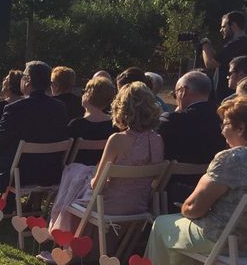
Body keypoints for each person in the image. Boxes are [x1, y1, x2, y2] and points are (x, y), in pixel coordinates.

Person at [47, 82, 164, 240]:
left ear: (121, 108)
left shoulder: (117, 140)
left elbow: (97, 185)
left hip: (108, 207)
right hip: (139, 206)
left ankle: (68, 246)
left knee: (72, 193)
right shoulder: (157, 140)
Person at [145, 97, 247, 264]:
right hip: (243, 241)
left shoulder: (232, 158)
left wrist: (186, 209)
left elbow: (193, 208)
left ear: (241, 128)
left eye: (225, 124)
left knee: (163, 224)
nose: (221, 131)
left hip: (224, 240)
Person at [0, 61, 68, 198]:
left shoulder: (14, 108)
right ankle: (8, 206)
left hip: (19, 174)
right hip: (50, 173)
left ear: (28, 81)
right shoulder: (60, 108)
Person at [158, 71, 227, 209]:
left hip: (172, 191)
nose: (176, 96)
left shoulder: (172, 121)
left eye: (176, 92)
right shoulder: (224, 120)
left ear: (183, 91)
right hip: (209, 191)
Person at [67, 76, 117, 165]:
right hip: (103, 175)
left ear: (88, 95)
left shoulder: (76, 125)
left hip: (76, 175)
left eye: (84, 91)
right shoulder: (115, 125)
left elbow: (67, 157)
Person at [201, 10, 247, 102]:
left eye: (224, 26)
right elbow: (219, 58)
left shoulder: (235, 45)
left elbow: (210, 63)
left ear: (233, 25)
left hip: (229, 97)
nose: (221, 30)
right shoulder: (243, 42)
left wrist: (204, 42)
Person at [0, 69, 23, 135]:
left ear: (9, 85)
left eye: (5, 79)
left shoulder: (0, 107)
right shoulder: (26, 106)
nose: (2, 81)